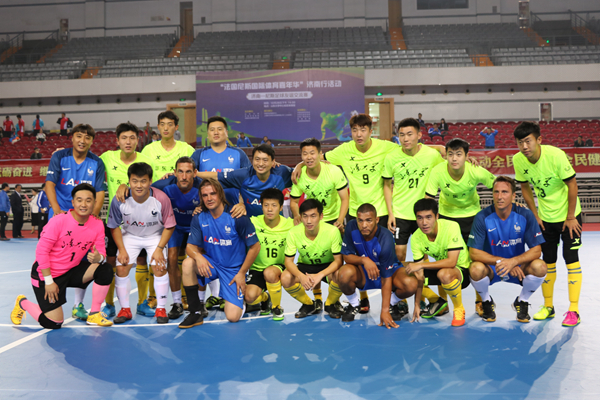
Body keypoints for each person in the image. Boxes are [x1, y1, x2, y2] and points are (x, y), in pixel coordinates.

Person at [292, 114, 398, 313]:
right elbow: (317, 157)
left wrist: (439, 148)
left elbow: (409, 149)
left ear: (371, 131)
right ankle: (363, 299)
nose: (359, 134)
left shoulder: (385, 146)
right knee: (358, 255)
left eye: (363, 130)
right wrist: (299, 165)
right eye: (355, 130)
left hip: (381, 211)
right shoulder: (343, 150)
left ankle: (395, 302)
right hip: (356, 212)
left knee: (389, 257)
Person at [10, 183, 114, 329]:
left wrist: (100, 258)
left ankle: (95, 313)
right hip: (46, 274)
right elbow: (41, 251)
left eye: (88, 200)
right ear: (73, 202)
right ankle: (23, 303)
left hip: (70, 270)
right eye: (79, 200)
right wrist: (49, 281)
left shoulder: (97, 224)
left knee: (106, 269)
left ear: (94, 203)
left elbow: (101, 252)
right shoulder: (58, 221)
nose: (83, 204)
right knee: (53, 323)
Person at [120, 111, 194, 309]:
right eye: (162, 124)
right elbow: (139, 177)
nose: (166, 128)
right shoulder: (148, 151)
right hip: (153, 210)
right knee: (152, 257)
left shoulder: (187, 149)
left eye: (170, 124)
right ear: (158, 127)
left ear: (176, 127)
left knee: (180, 256)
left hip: (179, 210)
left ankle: (184, 297)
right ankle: (151, 297)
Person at [512, 121, 583, 327]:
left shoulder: (555, 156)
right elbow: (525, 187)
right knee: (548, 261)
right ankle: (548, 306)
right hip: (546, 219)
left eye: (528, 141)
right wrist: (535, 215)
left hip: (569, 217)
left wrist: (570, 216)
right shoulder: (518, 160)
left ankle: (574, 310)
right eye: (520, 142)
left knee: (571, 259)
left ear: (539, 140)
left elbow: (572, 184)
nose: (524, 146)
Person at [425, 138, 495, 316]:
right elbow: (428, 199)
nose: (454, 158)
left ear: (466, 156)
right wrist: (430, 222)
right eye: (450, 154)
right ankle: (443, 303)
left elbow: (498, 185)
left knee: (475, 262)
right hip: (446, 218)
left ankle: (481, 301)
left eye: (459, 154)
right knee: (443, 259)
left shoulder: (474, 170)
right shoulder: (437, 171)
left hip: (472, 218)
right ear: (446, 156)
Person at [179, 178, 261, 328]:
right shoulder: (199, 217)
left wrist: (242, 273)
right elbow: (190, 246)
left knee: (233, 317)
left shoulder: (237, 217)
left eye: (213, 193)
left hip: (233, 270)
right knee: (188, 263)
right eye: (205, 195)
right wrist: (198, 257)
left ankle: (248, 299)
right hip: (212, 264)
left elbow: (255, 247)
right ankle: (195, 312)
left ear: (220, 194)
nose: (209, 198)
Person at [45, 123, 106, 321]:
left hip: (83, 216)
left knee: (86, 259)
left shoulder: (96, 162)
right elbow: (49, 184)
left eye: (87, 137)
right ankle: (50, 292)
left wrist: (93, 216)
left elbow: (100, 192)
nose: (82, 140)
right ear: (72, 138)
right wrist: (56, 210)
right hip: (60, 215)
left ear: (92, 141)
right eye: (79, 136)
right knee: (54, 257)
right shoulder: (59, 157)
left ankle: (78, 304)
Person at [468, 176, 547, 323]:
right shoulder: (482, 217)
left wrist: (514, 262)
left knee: (540, 266)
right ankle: (486, 302)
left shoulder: (525, 215)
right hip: (493, 268)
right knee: (475, 269)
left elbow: (537, 250)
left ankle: (522, 301)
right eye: (496, 192)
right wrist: (504, 262)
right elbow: (474, 253)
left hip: (518, 268)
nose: (499, 196)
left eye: (504, 192)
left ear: (513, 196)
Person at [109, 162, 176, 324]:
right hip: (130, 235)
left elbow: (169, 226)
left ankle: (161, 309)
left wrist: (159, 248)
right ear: (129, 181)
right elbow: (114, 226)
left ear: (150, 181)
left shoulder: (161, 198)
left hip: (155, 236)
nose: (139, 185)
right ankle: (125, 309)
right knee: (121, 267)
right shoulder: (119, 199)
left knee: (159, 267)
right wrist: (121, 249)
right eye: (135, 181)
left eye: (143, 181)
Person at [99, 122, 154, 318]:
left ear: (138, 141)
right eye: (124, 138)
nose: (128, 142)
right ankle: (109, 304)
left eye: (132, 138)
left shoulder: (147, 160)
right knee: (110, 262)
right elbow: (87, 160)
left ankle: (142, 303)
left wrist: (127, 187)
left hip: (139, 222)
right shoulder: (107, 157)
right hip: (114, 222)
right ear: (117, 140)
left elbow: (153, 188)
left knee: (141, 261)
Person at [336, 203, 416, 326]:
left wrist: (384, 310)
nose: (364, 225)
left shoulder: (385, 237)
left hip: (388, 273)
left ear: (377, 220)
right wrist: (364, 260)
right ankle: (354, 305)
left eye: (369, 220)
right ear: (356, 220)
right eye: (360, 220)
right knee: (343, 274)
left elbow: (386, 277)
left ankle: (391, 304)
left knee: (411, 283)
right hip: (364, 272)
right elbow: (346, 256)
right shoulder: (351, 227)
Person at [404, 199, 472, 327]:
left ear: (436, 216)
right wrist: (417, 304)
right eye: (420, 218)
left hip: (461, 270)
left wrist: (421, 264)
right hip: (441, 268)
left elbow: (451, 262)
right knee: (405, 273)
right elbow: (419, 274)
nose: (424, 223)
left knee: (444, 274)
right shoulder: (416, 238)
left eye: (428, 217)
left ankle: (459, 308)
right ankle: (436, 301)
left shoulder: (451, 226)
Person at [281, 199, 344, 318]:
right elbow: (288, 261)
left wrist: (320, 275)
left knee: (342, 275)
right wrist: (301, 276)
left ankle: (330, 303)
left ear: (321, 216)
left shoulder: (332, 231)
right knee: (285, 277)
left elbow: (338, 261)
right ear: (300, 217)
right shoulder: (293, 232)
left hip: (327, 266)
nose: (309, 221)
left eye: (313, 216)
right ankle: (309, 304)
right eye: (305, 216)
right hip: (306, 266)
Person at [198, 144, 292, 217]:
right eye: (257, 159)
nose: (260, 164)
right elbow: (217, 176)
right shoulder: (243, 175)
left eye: (265, 160)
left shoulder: (282, 173)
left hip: (275, 226)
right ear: (252, 161)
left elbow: (300, 173)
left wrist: (299, 165)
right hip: (251, 226)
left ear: (273, 161)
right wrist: (196, 174)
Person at [246, 188, 294, 320]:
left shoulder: (290, 224)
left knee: (270, 273)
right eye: (266, 205)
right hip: (257, 268)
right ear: (261, 206)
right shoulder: (253, 222)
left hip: (278, 267)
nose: (270, 209)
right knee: (249, 298)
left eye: (274, 205)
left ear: (280, 207)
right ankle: (265, 298)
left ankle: (276, 307)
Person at [290, 138, 349, 229]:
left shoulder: (334, 171)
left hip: (334, 217)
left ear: (320, 154)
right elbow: (294, 202)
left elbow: (344, 199)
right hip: (312, 219)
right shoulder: (299, 175)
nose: (309, 157)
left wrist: (340, 220)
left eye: (312, 153)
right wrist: (297, 215)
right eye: (305, 154)